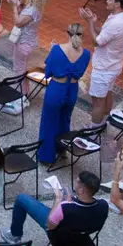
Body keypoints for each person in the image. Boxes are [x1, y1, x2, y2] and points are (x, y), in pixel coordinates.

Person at [1, 171, 109, 245]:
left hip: (58, 235)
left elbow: (49, 225)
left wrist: (58, 199)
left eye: (77, 182)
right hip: (82, 236)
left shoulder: (65, 207)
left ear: (81, 190)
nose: (74, 184)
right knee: (66, 192)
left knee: (21, 199)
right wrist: (68, 200)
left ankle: (14, 235)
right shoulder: (104, 205)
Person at [36, 23, 92, 164]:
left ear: (67, 33)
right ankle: (61, 149)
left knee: (49, 122)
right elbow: (81, 72)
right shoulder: (86, 54)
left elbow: (48, 72)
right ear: (82, 36)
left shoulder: (56, 50)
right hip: (72, 89)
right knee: (64, 120)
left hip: (56, 88)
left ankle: (46, 156)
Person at [79, 0, 123, 127]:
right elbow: (104, 33)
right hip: (113, 65)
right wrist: (93, 22)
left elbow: (96, 41)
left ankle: (92, 132)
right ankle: (103, 123)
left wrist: (90, 22)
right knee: (107, 94)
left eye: (110, 0)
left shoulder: (117, 23)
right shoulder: (120, 17)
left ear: (118, 4)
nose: (106, 1)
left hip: (105, 68)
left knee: (97, 101)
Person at [4, 0, 51, 114]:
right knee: (22, 69)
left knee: (18, 71)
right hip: (29, 42)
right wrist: (19, 7)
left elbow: (18, 22)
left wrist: (13, 7)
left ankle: (17, 99)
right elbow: (24, 19)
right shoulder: (36, 8)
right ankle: (24, 94)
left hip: (23, 43)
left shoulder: (32, 9)